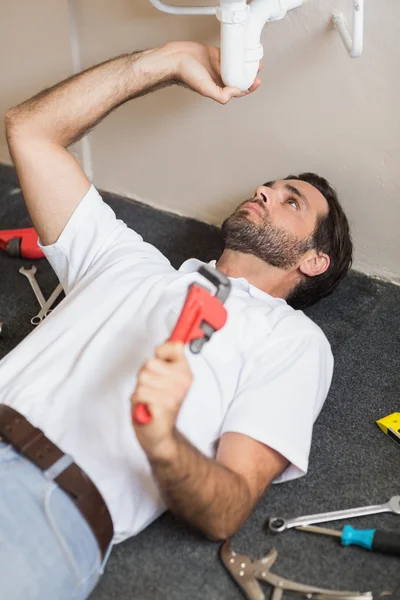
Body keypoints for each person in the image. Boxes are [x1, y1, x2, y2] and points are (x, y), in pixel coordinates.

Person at [0, 41, 352, 600]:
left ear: (314, 260)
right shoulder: (123, 258)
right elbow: (29, 128)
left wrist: (162, 438)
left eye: (291, 201)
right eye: (271, 185)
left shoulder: (294, 342)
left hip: (45, 507)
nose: (263, 189)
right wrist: (166, 61)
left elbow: (229, 507)